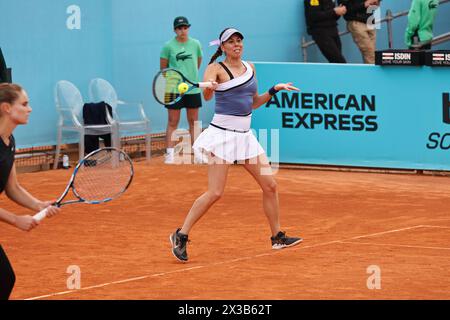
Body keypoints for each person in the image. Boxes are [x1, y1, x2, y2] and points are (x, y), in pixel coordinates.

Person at [169, 28, 303, 262]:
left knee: (270, 185)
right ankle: (181, 234)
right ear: (222, 47)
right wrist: (210, 86)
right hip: (221, 137)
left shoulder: (250, 67)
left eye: (239, 40)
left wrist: (274, 89)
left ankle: (277, 237)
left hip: (245, 136)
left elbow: (252, 103)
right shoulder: (216, 68)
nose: (236, 45)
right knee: (215, 192)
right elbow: (208, 97)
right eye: (231, 42)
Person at [0, 83, 60, 299]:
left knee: (4, 279)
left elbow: (12, 187)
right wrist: (16, 220)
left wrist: (38, 205)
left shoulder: (9, 141)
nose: (30, 109)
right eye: (24, 104)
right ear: (7, 108)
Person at [160, 16, 203, 164]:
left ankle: (197, 154)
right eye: (179, 28)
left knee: (194, 121)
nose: (182, 31)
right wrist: (175, 81)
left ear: (188, 28)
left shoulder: (196, 44)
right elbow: (163, 69)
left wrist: (189, 80)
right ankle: (170, 155)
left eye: (185, 27)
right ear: (174, 30)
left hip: (192, 88)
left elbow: (197, 63)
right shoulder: (168, 46)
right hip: (173, 89)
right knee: (173, 121)